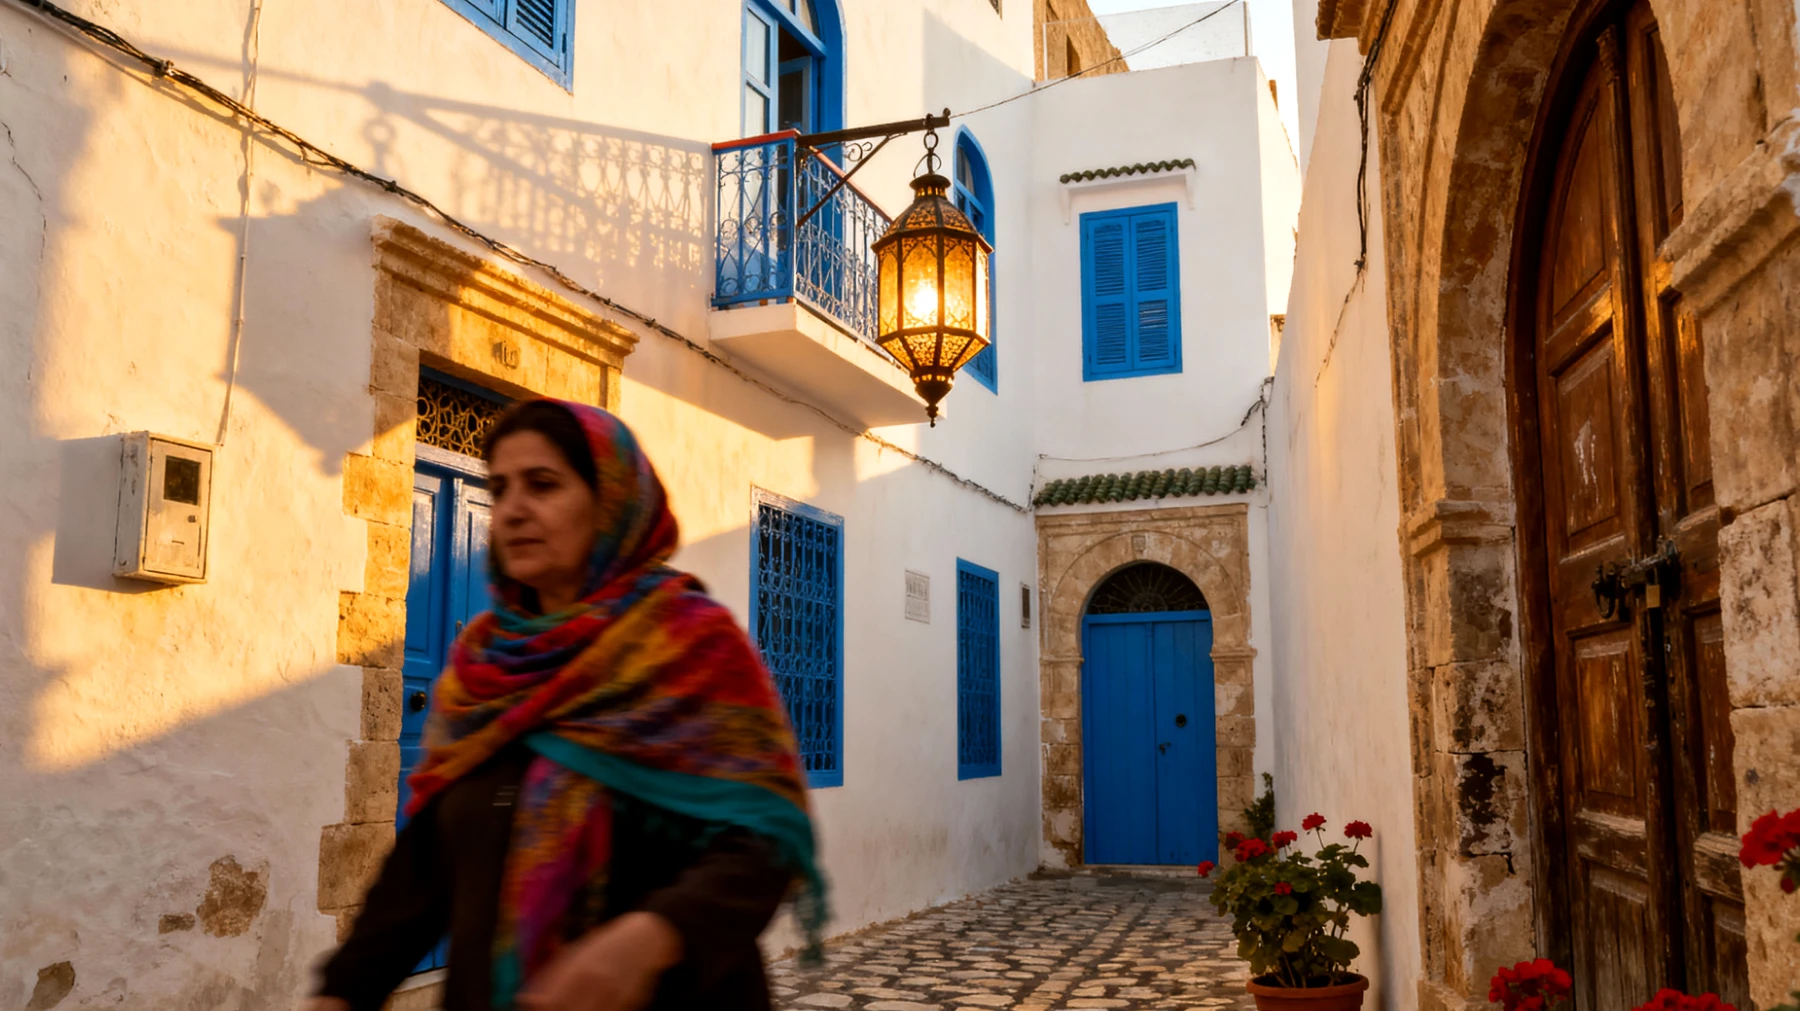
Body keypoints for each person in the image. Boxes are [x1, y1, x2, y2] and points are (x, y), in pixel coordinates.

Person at [303, 400, 826, 1011]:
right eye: (500, 488)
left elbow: (763, 843)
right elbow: (425, 864)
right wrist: (343, 991)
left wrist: (646, 939)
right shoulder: (484, 664)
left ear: (611, 501)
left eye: (543, 484)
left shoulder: (692, 649)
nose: (514, 510)